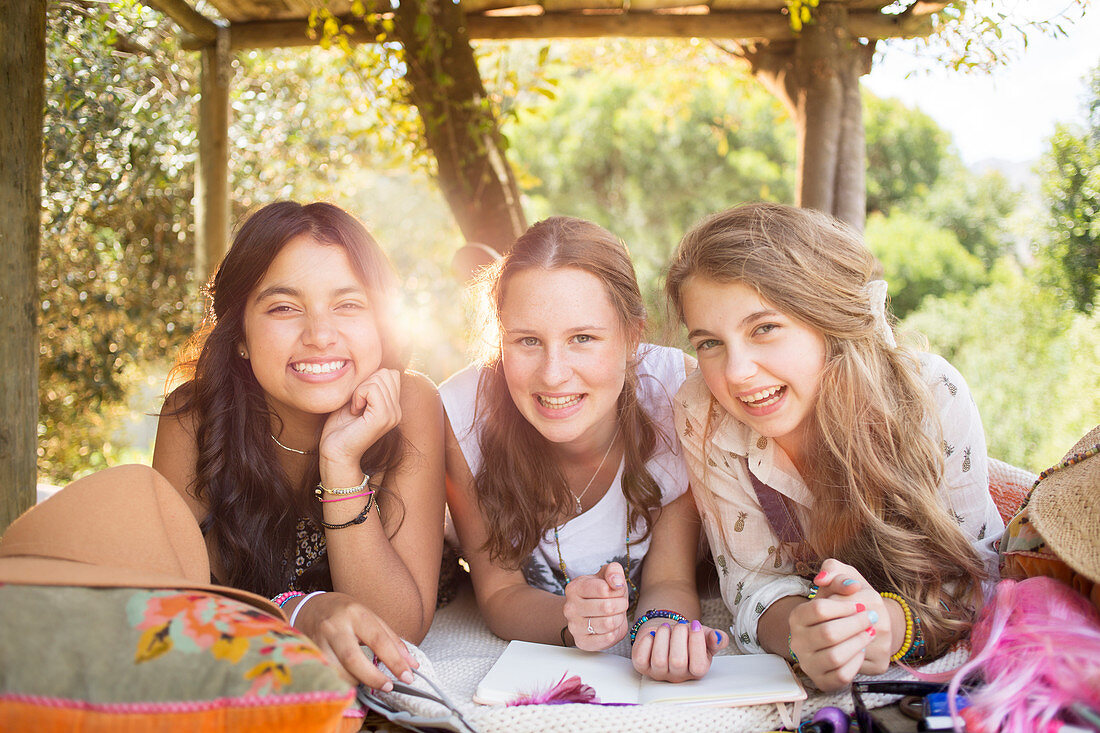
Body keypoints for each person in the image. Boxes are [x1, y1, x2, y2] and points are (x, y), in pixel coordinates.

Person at [664, 202, 1003, 692]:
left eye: (764, 328)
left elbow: (983, 573)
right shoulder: (703, 411)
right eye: (709, 343)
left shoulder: (930, 395)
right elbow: (750, 581)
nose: (736, 373)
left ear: (827, 318)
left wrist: (889, 626)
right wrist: (801, 632)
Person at [153, 201, 445, 690]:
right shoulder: (193, 419)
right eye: (284, 307)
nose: (320, 335)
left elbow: (397, 631)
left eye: (348, 304)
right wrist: (296, 612)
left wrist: (342, 463)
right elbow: (167, 602)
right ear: (240, 333)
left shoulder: (413, 402)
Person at [441, 216, 728, 683]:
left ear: (633, 335)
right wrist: (569, 622)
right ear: (501, 337)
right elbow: (499, 594)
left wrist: (661, 627)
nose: (553, 374)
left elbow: (669, 580)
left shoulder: (677, 396)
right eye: (528, 340)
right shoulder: (462, 414)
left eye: (583, 338)